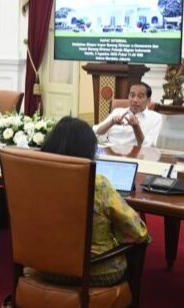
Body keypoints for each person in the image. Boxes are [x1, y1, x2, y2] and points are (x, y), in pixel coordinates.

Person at [41, 116, 150, 286]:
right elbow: (138, 233)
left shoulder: (36, 179)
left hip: (44, 266)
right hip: (94, 270)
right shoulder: (98, 183)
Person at [94, 82, 163, 147]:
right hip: (109, 152)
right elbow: (96, 133)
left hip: (134, 156)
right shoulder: (117, 111)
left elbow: (148, 147)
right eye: (132, 95)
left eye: (140, 96)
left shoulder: (155, 118)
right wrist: (111, 123)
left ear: (148, 100)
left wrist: (136, 127)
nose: (135, 100)